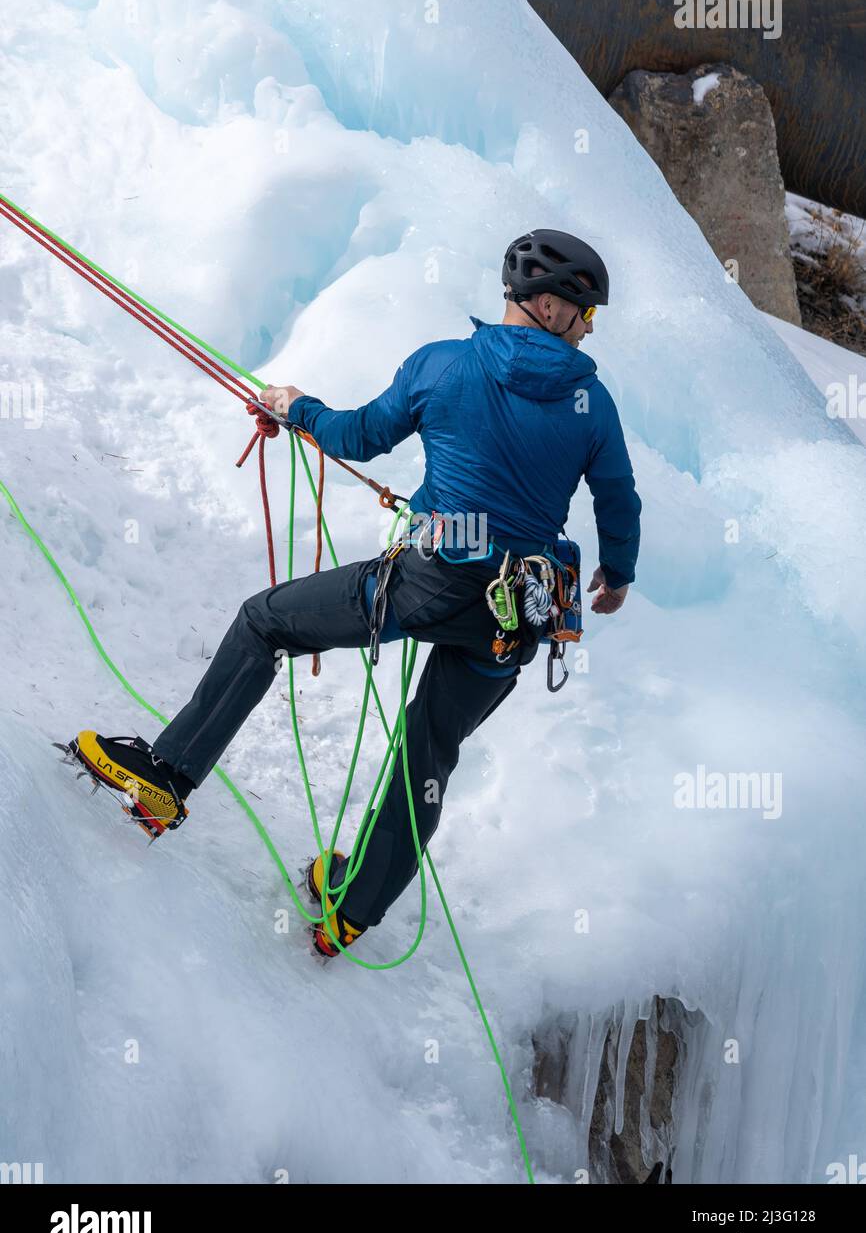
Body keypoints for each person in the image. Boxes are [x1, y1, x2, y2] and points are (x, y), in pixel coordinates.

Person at [71, 229, 641, 956]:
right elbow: (619, 501)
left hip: (428, 584)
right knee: (428, 750)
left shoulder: (444, 365)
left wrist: (294, 405)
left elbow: (361, 435)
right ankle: (350, 910)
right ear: (555, 307)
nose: (589, 330)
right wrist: (616, 576)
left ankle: (167, 779)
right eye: (587, 314)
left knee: (263, 623)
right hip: (516, 616)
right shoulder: (592, 402)